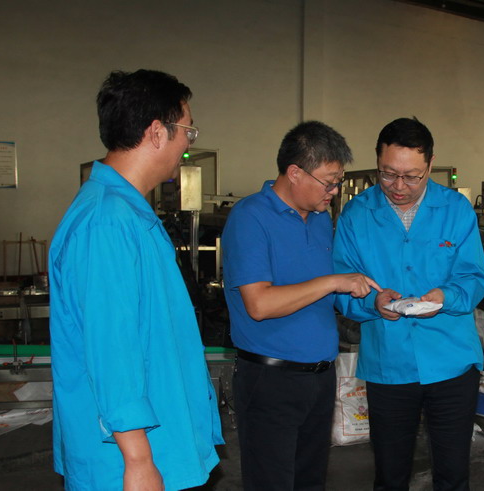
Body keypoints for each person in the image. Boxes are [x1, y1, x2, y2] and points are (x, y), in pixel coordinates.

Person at [49, 69, 224, 490]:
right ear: (157, 132)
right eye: (188, 131)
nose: (188, 144)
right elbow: (112, 349)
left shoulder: (127, 213)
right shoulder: (107, 222)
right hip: (129, 461)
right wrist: (139, 461)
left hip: (162, 439)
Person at [221, 120, 381, 490]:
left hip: (320, 377)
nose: (334, 192)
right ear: (295, 173)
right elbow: (259, 304)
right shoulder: (250, 217)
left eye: (338, 181)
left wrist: (374, 298)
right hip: (271, 380)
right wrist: (334, 281)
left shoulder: (321, 220)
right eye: (329, 182)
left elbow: (324, 294)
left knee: (311, 481)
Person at [333, 117, 484, 490]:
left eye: (411, 176)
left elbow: (474, 277)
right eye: (388, 174)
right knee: (390, 474)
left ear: (430, 165)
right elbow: (340, 285)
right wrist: (373, 303)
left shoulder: (456, 209)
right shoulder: (356, 216)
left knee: (453, 473)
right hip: (388, 364)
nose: (399, 186)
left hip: (451, 361)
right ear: (377, 162)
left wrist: (446, 296)